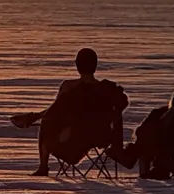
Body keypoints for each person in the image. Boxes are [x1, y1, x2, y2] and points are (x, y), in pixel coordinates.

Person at [11, 47, 128, 176]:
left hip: (71, 138)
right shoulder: (108, 90)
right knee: (52, 117)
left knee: (46, 122)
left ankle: (43, 166)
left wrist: (40, 117)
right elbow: (118, 111)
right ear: (95, 66)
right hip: (101, 136)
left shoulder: (70, 88)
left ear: (77, 65)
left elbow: (56, 111)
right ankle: (33, 117)